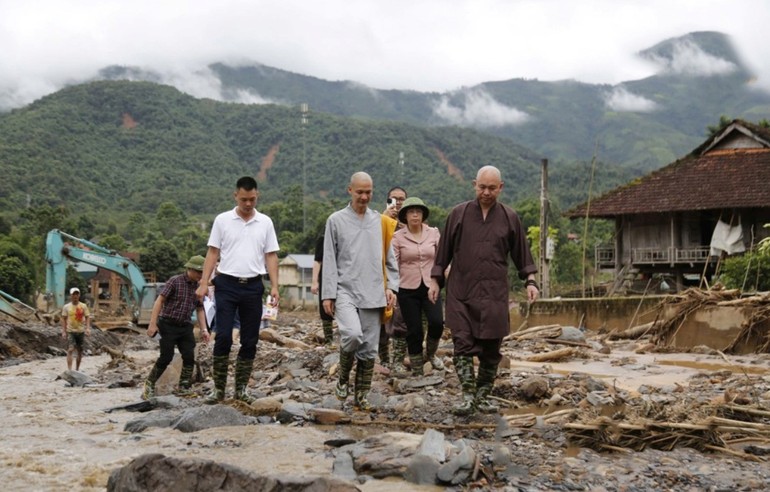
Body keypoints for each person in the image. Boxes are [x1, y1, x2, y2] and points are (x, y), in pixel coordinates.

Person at [429, 165, 539, 415]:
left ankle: (482, 395)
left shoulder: (510, 217)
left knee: (492, 349)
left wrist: (530, 281)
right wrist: (435, 281)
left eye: (491, 188)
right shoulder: (458, 214)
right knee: (462, 344)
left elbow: (523, 254)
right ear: (473, 185)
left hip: (494, 293)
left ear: (501, 188)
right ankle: (468, 395)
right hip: (461, 291)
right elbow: (443, 251)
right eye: (482, 187)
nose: (486, 192)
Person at [196, 176, 280, 404]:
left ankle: (241, 389)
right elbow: (212, 252)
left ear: (257, 196)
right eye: (244, 199)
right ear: (236, 196)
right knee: (223, 336)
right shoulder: (222, 220)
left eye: (252, 199)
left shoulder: (265, 222)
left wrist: (274, 286)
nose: (248, 204)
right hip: (226, 285)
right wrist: (204, 282)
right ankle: (219, 390)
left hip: (253, 286)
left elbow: (271, 255)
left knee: (250, 339)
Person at [323, 172, 399, 411]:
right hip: (345, 290)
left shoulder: (381, 222)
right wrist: (328, 294)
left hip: (373, 292)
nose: (364, 197)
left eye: (369, 192)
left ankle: (361, 396)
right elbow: (329, 258)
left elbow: (390, 259)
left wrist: (392, 288)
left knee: (368, 349)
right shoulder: (335, 221)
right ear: (350, 190)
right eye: (360, 192)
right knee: (352, 335)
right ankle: (343, 377)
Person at [142, 255, 209, 399]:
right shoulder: (175, 281)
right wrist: (152, 324)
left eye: (202, 273)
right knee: (166, 357)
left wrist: (204, 329)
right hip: (167, 325)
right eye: (198, 272)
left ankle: (184, 386)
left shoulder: (198, 287)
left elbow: (200, 309)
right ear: (189, 269)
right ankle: (149, 384)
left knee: (189, 356)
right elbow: (159, 301)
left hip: (185, 326)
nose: (200, 275)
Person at [392, 197, 444, 376]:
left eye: (418, 211)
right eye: (411, 212)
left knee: (437, 323)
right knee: (413, 329)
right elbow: (393, 264)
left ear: (423, 214)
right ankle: (417, 368)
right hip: (407, 288)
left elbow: (441, 259)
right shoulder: (398, 237)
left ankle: (430, 354)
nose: (415, 215)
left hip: (431, 286)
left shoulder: (434, 233)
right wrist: (391, 289)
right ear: (405, 216)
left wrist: (441, 278)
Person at [379, 186, 409, 372]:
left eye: (401, 199)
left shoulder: (411, 221)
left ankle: (398, 359)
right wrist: (385, 216)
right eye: (393, 199)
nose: (397, 202)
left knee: (401, 320)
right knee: (382, 319)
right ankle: (383, 358)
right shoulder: (378, 220)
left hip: (405, 279)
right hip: (382, 279)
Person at [311, 231, 335, 346]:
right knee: (325, 308)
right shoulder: (324, 238)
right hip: (326, 277)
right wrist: (314, 281)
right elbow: (317, 260)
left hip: (345, 277)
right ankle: (329, 340)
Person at [61, 287, 91, 371]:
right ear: (71, 295)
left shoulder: (83, 306)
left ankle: (77, 369)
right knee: (70, 349)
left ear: (79, 295)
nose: (75, 296)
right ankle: (70, 370)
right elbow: (63, 318)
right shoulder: (66, 307)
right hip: (71, 331)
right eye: (73, 294)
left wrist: (88, 328)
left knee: (80, 351)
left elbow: (88, 316)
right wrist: (63, 331)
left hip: (81, 331)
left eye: (77, 294)